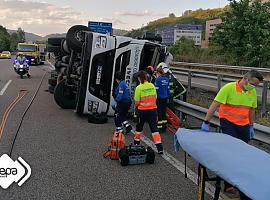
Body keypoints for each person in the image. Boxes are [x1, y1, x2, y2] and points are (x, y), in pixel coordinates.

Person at [201, 69, 264, 193]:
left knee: (242, 154)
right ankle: (227, 184)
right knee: (230, 152)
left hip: (244, 125)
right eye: (253, 84)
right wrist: (206, 121)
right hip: (228, 122)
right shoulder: (228, 88)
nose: (254, 87)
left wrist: (251, 126)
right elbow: (215, 104)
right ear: (246, 79)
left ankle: (239, 181)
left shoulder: (251, 91)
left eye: (256, 85)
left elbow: (251, 110)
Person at [134, 70, 164, 154]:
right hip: (153, 110)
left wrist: (142, 104)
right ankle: (160, 148)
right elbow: (155, 98)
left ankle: (136, 144)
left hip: (142, 111)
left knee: (139, 128)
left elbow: (136, 103)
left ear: (139, 78)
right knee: (154, 129)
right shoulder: (152, 86)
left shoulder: (138, 88)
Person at [155, 67, 170, 132]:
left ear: (158, 72)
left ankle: (159, 127)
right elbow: (168, 89)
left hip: (159, 98)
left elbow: (156, 90)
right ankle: (164, 127)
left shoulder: (158, 79)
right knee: (163, 112)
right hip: (165, 97)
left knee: (159, 112)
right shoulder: (167, 79)